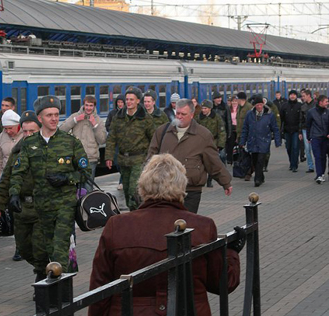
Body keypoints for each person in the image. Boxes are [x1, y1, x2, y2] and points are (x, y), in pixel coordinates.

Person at [88, 154, 241, 316]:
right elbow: (222, 283)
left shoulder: (117, 226)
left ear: (143, 187)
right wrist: (231, 253)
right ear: (182, 186)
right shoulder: (202, 226)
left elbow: (100, 290)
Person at [9, 96, 90, 273]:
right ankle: (44, 280)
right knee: (41, 249)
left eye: (56, 114)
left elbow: (86, 172)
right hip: (42, 206)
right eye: (49, 115)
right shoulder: (30, 144)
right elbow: (18, 171)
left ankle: (61, 293)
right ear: (40, 119)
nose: (54, 119)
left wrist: (67, 178)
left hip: (65, 204)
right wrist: (14, 193)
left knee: (60, 248)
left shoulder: (70, 142)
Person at [148, 99, 232, 214]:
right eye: (177, 113)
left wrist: (225, 182)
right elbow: (151, 159)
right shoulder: (162, 132)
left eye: (183, 114)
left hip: (190, 190)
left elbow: (213, 161)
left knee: (185, 225)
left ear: (192, 115)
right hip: (165, 189)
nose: (179, 117)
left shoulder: (203, 135)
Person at [0, 110, 46, 278]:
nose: (28, 135)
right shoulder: (17, 152)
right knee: (23, 247)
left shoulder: (48, 150)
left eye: (32, 131)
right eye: (26, 131)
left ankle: (41, 276)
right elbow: (5, 179)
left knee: (39, 247)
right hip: (21, 208)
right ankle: (43, 268)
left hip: (41, 208)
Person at [105, 87, 156, 211]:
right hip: (123, 159)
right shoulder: (118, 117)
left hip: (139, 159)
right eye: (127, 99)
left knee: (134, 189)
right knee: (127, 190)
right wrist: (109, 156)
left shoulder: (145, 118)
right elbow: (112, 137)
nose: (128, 102)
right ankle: (134, 212)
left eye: (131, 100)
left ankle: (139, 213)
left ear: (138, 101)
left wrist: (152, 158)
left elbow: (153, 139)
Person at [60, 95, 107, 190]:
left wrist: (95, 125)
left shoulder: (98, 120)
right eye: (87, 105)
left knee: (88, 186)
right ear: (83, 105)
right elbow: (61, 130)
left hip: (91, 158)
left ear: (94, 106)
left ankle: (86, 204)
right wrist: (74, 121)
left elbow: (102, 140)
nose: (88, 108)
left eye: (91, 105)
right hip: (75, 157)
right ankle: (76, 204)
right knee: (74, 185)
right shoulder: (75, 116)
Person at [239, 95, 281, 187]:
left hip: (264, 141)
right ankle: (261, 176)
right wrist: (242, 141)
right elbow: (245, 129)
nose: (259, 107)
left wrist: (278, 141)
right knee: (254, 160)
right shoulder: (249, 115)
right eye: (257, 105)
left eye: (261, 104)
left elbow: (275, 128)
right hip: (253, 141)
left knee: (260, 160)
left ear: (263, 104)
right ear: (254, 106)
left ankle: (257, 179)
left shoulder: (269, 115)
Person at [195, 100, 226, 188]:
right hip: (201, 142)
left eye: (205, 108)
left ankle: (210, 180)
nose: (203, 110)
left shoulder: (216, 117)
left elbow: (222, 131)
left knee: (211, 162)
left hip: (213, 142)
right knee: (201, 162)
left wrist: (220, 145)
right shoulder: (199, 118)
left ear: (210, 109)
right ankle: (202, 178)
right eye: (202, 108)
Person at [0, 109, 24, 188]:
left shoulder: (25, 134)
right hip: (5, 177)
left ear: (18, 125)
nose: (8, 131)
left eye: (10, 128)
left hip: (21, 179)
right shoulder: (2, 136)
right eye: (5, 128)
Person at [306, 95, 329, 184]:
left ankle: (322, 173)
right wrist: (308, 137)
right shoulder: (311, 112)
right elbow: (308, 125)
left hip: (325, 138)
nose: (328, 103)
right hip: (315, 137)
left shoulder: (327, 112)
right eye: (326, 101)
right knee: (317, 156)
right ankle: (319, 175)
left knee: (323, 156)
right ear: (320, 102)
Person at [280, 90, 302, 172]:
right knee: (289, 148)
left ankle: (294, 165)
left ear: (296, 96)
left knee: (295, 147)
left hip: (296, 130)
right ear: (289, 96)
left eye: (294, 95)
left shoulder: (300, 105)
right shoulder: (284, 106)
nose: (292, 96)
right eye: (291, 95)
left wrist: (300, 131)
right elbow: (281, 118)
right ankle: (291, 162)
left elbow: (301, 119)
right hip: (287, 130)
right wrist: (280, 130)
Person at [299, 89, 315, 173]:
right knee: (307, 149)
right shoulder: (303, 106)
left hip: (315, 130)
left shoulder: (315, 105)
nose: (302, 98)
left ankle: (319, 165)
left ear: (309, 95)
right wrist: (300, 132)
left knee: (316, 148)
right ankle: (310, 166)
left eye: (303, 96)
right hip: (305, 129)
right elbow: (301, 120)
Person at [226, 96, 239, 164]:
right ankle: (229, 159)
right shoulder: (228, 109)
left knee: (239, 143)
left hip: (238, 127)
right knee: (230, 144)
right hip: (232, 127)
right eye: (233, 101)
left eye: (235, 101)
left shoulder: (239, 109)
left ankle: (238, 158)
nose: (234, 102)